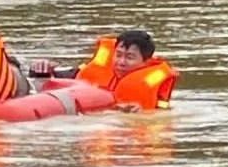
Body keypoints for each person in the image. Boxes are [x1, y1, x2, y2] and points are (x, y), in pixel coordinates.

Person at [29, 29, 177, 110]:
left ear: (146, 62)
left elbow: (158, 121)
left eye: (129, 57)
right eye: (118, 55)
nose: (121, 62)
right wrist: (41, 70)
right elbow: (50, 80)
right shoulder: (94, 71)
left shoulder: (154, 95)